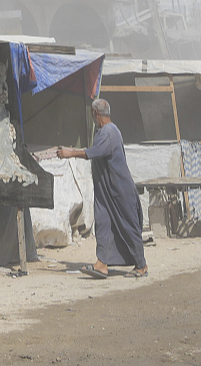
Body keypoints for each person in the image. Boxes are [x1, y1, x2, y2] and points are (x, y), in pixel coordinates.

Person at [56, 97, 148, 279]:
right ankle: (102, 264)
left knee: (128, 226)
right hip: (106, 191)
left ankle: (141, 265)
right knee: (103, 224)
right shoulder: (104, 132)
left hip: (119, 190)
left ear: (96, 114)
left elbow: (95, 152)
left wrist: (70, 153)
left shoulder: (109, 132)